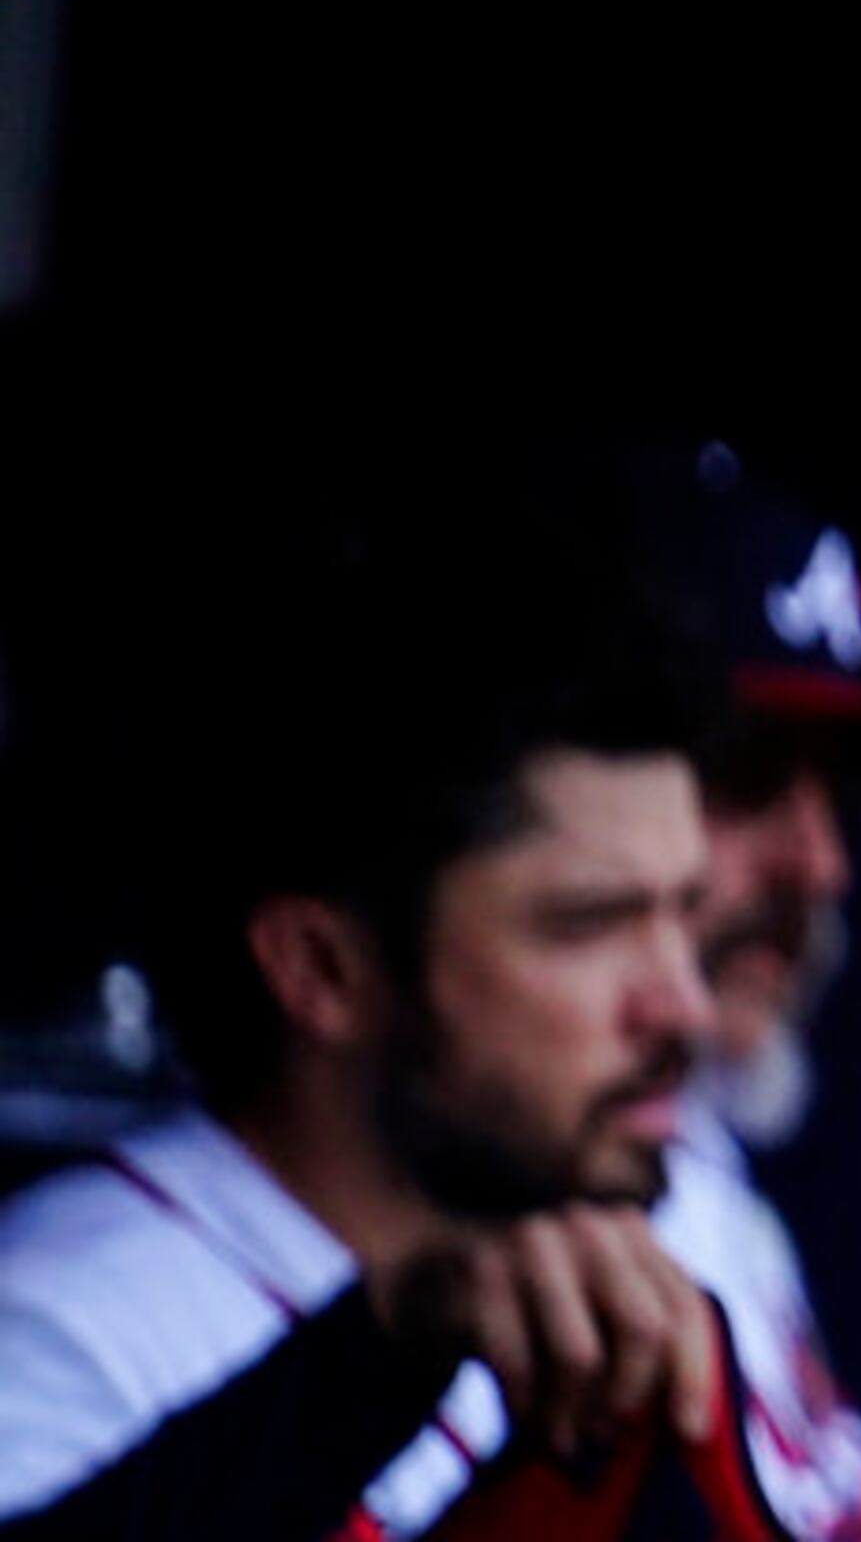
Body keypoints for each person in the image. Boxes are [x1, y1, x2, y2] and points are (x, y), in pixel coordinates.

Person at [0, 495, 767, 1538]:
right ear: (322, 969)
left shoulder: (654, 1237)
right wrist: (365, 1368)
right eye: (589, 926)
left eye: (687, 915)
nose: (681, 1003)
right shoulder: (65, 1331)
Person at [636, 442, 861, 1542]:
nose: (822, 865)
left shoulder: (712, 1196)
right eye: (745, 775)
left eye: (833, 792)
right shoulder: (468, 1268)